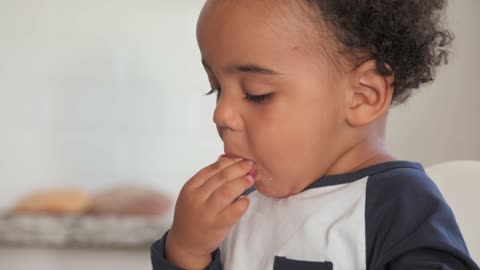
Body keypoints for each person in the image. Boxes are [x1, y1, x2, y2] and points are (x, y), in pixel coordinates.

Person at [151, 0, 479, 269]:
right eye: (217, 90)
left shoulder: (398, 205)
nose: (221, 114)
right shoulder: (235, 211)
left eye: (257, 93)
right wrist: (188, 251)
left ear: (363, 96)